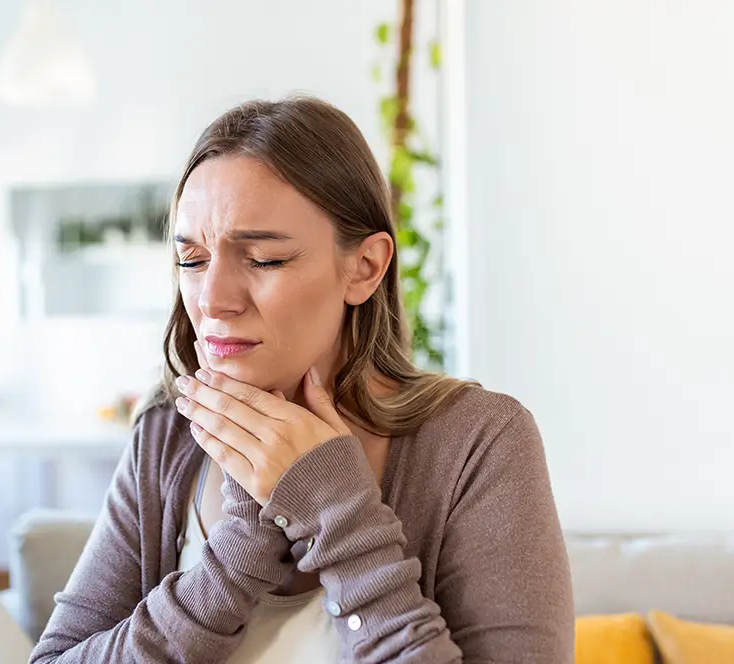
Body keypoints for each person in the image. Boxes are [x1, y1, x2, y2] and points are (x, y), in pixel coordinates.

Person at [29, 97, 574, 663]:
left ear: (364, 267)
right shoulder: (165, 437)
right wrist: (234, 559)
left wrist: (337, 512)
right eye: (192, 260)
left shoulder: (479, 443)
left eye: (263, 258)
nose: (213, 300)